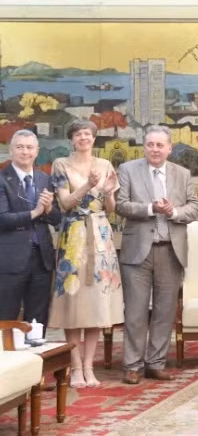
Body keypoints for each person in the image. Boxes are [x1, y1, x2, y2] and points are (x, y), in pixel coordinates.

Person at [115, 126, 198, 384]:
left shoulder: (182, 174)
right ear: (145, 146)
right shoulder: (128, 169)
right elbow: (120, 205)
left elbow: (195, 207)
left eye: (160, 145)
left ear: (169, 148)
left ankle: (156, 362)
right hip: (138, 252)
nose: (155, 149)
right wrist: (151, 208)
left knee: (165, 311)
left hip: (171, 250)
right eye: (150, 144)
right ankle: (132, 365)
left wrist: (173, 212)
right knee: (136, 312)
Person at [49, 119, 124, 388]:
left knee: (95, 305)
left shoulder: (105, 165)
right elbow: (65, 203)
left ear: (94, 138)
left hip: (101, 236)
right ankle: (76, 367)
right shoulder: (61, 164)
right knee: (74, 304)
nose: (84, 138)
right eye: (79, 134)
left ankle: (89, 366)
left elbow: (111, 207)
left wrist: (106, 192)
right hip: (74, 237)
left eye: (88, 134)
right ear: (72, 139)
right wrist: (86, 185)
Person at [0, 130, 61, 330]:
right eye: (19, 147)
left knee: (37, 318)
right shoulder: (2, 179)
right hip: (10, 260)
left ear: (37, 152)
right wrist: (35, 212)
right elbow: (3, 219)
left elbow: (57, 219)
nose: (24, 152)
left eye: (29, 147)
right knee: (6, 315)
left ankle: (35, 359)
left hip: (41, 259)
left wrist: (49, 209)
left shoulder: (45, 179)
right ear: (11, 151)